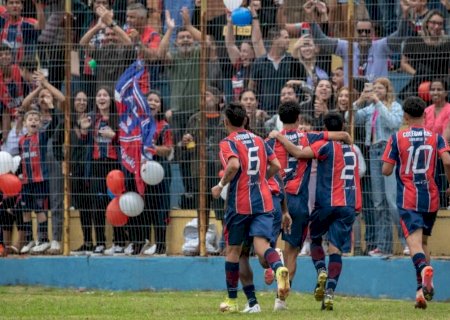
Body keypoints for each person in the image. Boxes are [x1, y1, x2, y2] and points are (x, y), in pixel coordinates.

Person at [269, 112, 362, 311]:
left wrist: (278, 136)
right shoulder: (353, 150)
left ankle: (312, 268)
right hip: (347, 204)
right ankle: (324, 292)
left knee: (314, 239)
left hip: (316, 201)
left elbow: (299, 153)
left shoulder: (320, 144)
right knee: (327, 250)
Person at [211, 102, 290, 313]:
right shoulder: (260, 140)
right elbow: (277, 166)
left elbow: (234, 165)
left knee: (236, 252)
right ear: (245, 120)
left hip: (240, 204)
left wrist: (220, 186)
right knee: (261, 245)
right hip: (263, 201)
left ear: (225, 121)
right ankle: (279, 268)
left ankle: (236, 301)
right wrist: (260, 180)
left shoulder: (228, 142)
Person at [381, 96, 450, 309]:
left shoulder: (397, 137)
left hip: (409, 198)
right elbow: (447, 160)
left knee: (414, 244)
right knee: (425, 243)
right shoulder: (436, 137)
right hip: (431, 196)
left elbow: (386, 169)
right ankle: (421, 290)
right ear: (425, 114)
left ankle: (423, 273)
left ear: (405, 116)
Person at [351, 77, 405, 257]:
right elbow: (352, 118)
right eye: (374, 88)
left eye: (380, 88)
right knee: (378, 202)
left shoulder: (394, 106)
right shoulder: (369, 108)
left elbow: (394, 123)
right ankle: (383, 246)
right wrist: (359, 101)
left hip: (388, 150)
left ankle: (406, 241)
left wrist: (377, 103)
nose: (376, 90)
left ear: (387, 89)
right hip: (373, 152)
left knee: (392, 201)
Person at [303, 0, 410, 82]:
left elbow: (400, 35)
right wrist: (311, 18)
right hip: (352, 99)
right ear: (356, 33)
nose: (363, 34)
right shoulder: (346, 47)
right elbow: (322, 40)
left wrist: (405, 14)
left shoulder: (381, 46)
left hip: (376, 99)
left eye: (367, 31)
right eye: (360, 31)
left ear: (372, 33)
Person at [19, 105, 59, 255]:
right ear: (25, 123)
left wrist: (51, 109)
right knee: (26, 211)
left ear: (40, 123)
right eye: (30, 119)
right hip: (26, 182)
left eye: (36, 119)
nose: (33, 121)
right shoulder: (21, 141)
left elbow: (55, 123)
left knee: (40, 209)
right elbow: (21, 160)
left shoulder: (41, 136)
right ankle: (30, 239)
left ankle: (43, 240)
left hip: (40, 180)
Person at [138, 90, 173, 255]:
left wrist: (152, 148)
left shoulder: (164, 126)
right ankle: (146, 242)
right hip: (143, 169)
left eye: (156, 101)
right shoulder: (139, 124)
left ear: (161, 106)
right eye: (149, 100)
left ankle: (160, 245)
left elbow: (168, 150)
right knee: (147, 206)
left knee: (160, 207)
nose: (152, 103)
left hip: (160, 170)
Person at [249, 26, 307, 114]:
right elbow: (252, 87)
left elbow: (304, 82)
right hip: (265, 113)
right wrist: (257, 107)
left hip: (289, 113)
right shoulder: (259, 62)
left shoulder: (293, 60)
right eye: (286, 37)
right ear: (275, 39)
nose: (289, 40)